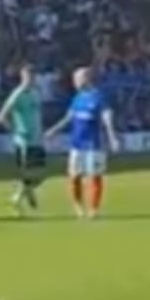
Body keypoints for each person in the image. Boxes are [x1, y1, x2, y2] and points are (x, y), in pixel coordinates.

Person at [44, 67, 119, 219]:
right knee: (74, 176)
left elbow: (107, 116)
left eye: (77, 79)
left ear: (86, 78)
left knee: (95, 176)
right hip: (77, 144)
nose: (75, 82)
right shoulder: (78, 97)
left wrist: (112, 137)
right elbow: (69, 117)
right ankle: (78, 206)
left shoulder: (98, 96)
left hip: (94, 143)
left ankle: (94, 209)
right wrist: (53, 130)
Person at [0, 63, 45, 215]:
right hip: (24, 140)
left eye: (32, 76)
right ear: (22, 77)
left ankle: (26, 192)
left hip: (37, 138)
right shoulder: (17, 94)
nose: (30, 79)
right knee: (28, 172)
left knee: (39, 175)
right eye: (27, 77)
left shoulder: (37, 92)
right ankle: (18, 198)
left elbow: (37, 114)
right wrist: (15, 130)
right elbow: (1, 116)